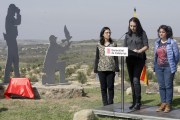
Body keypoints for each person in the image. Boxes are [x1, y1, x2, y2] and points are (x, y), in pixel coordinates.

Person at [124, 17, 149, 110]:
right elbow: (124, 48)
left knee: (135, 80)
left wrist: (139, 50)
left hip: (139, 59)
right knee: (131, 81)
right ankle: (134, 101)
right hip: (129, 59)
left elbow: (146, 46)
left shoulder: (142, 33)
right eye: (131, 26)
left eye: (134, 26)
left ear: (137, 25)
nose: (132, 28)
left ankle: (138, 102)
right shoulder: (127, 35)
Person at [154, 25, 179, 113]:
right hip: (159, 67)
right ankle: (163, 103)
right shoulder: (157, 42)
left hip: (168, 67)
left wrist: (172, 65)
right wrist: (156, 66)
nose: (161, 33)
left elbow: (176, 56)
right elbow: (156, 55)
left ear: (167, 33)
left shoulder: (172, 42)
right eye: (160, 32)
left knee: (168, 86)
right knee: (161, 86)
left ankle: (168, 105)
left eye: (163, 32)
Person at [94, 27, 120, 106]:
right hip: (101, 69)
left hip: (111, 68)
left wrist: (117, 68)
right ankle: (105, 104)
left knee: (111, 87)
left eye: (109, 32)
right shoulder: (99, 44)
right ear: (103, 34)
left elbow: (116, 57)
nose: (108, 34)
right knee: (103, 88)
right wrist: (95, 70)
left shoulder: (114, 44)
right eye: (107, 33)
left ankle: (111, 103)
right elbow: (97, 57)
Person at [3, 4, 21, 83]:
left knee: (14, 58)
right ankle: (10, 77)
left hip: (11, 39)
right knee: (12, 58)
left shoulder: (9, 17)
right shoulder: (9, 17)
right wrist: (18, 13)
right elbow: (18, 22)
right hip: (11, 40)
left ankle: (15, 76)